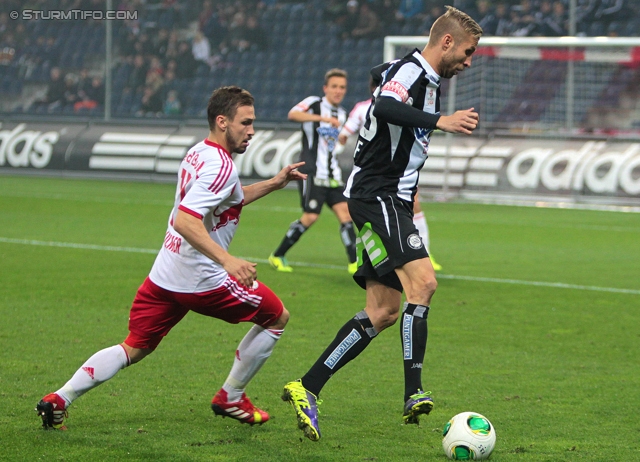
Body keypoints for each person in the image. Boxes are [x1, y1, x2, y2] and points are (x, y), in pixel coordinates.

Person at [36, 86, 307, 430]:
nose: (251, 130)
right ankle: (232, 395)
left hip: (166, 273)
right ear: (223, 122)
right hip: (201, 278)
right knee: (276, 316)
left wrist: (273, 183)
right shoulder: (221, 167)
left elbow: (226, 201)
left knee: (134, 346)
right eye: (246, 122)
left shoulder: (199, 152)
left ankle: (59, 398)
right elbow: (185, 219)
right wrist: (228, 261)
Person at [281, 6, 482, 441]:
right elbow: (386, 102)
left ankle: (307, 386)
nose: (469, 61)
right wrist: (440, 122)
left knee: (384, 311)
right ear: (445, 42)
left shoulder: (418, 75)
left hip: (386, 199)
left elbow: (381, 77)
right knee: (424, 284)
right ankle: (414, 393)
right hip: (380, 195)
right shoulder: (412, 72)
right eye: (467, 52)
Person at [338, 78, 443, 271]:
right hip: (373, 173)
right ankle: (369, 257)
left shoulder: (401, 108)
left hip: (398, 170)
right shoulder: (363, 108)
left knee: (413, 204)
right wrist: (338, 144)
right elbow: (345, 133)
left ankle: (424, 252)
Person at [268, 69, 358, 275]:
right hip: (311, 171)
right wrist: (322, 119)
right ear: (325, 88)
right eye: (334, 86)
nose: (338, 91)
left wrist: (341, 138)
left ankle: (354, 263)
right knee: (310, 216)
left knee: (346, 216)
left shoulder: (343, 114)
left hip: (332, 173)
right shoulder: (314, 103)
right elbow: (292, 114)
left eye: (342, 87)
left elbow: (334, 143)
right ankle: (277, 255)